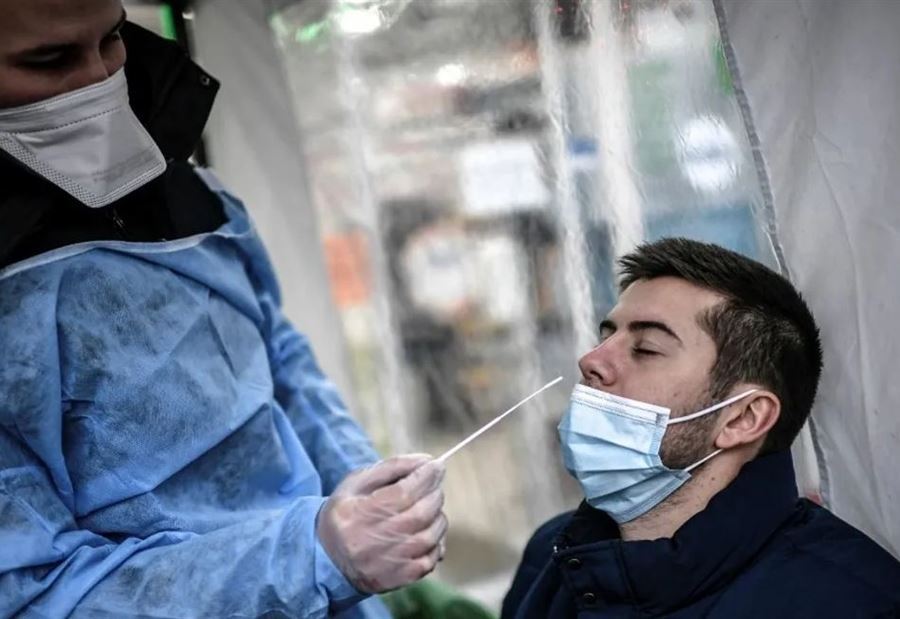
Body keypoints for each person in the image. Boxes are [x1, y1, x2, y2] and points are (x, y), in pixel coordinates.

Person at [0, 2, 447, 617]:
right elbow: (37, 597)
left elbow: (281, 360)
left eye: (112, 39)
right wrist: (307, 559)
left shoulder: (190, 196)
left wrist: (361, 484)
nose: (100, 80)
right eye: (50, 60)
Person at [502, 238, 900, 618]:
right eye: (605, 337)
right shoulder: (553, 556)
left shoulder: (852, 603)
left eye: (646, 348)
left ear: (744, 418)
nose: (591, 360)